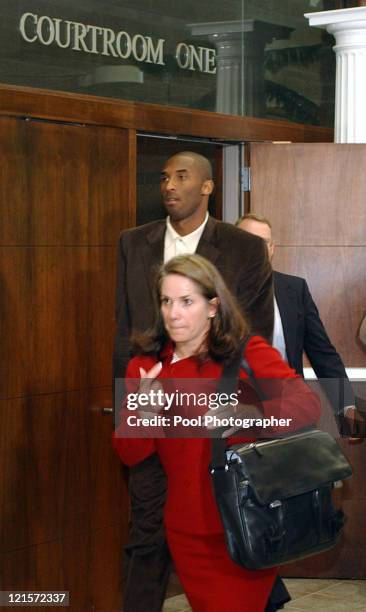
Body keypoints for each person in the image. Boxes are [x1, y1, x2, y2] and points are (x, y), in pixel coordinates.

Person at [113, 152, 276, 611]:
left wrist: (244, 411)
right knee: (146, 537)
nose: (169, 185)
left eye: (181, 176)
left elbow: (253, 334)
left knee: (227, 532)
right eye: (164, 177)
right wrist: (132, 408)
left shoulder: (242, 248)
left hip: (216, 429)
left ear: (207, 186)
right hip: (153, 420)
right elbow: (125, 331)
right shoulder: (133, 243)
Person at [113, 254, 320, 612]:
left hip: (247, 523)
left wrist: (253, 414)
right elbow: (131, 454)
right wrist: (143, 410)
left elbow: (307, 406)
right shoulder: (145, 366)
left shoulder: (246, 353)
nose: (173, 313)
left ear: (212, 307)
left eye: (186, 301)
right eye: (166, 301)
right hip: (187, 531)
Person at [236, 213, 361, 435]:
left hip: (290, 414)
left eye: (262, 243)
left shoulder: (295, 290)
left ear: (272, 248)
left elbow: (323, 354)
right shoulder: (213, 294)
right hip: (237, 418)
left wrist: (346, 406)